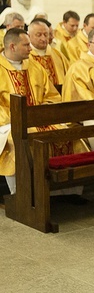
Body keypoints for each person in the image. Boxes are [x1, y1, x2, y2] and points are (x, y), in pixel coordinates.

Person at [0, 28, 69, 194]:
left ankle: (64, 191)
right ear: (12, 46)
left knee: (65, 133)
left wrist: (42, 113)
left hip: (39, 120)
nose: (31, 49)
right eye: (26, 45)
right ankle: (22, 194)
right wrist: (16, 118)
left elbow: (51, 95)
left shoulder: (35, 67)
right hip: (7, 123)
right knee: (19, 139)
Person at [28, 18, 69, 88]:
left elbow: (69, 77)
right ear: (29, 36)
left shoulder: (58, 55)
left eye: (46, 34)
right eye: (39, 35)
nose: (43, 38)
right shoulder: (25, 56)